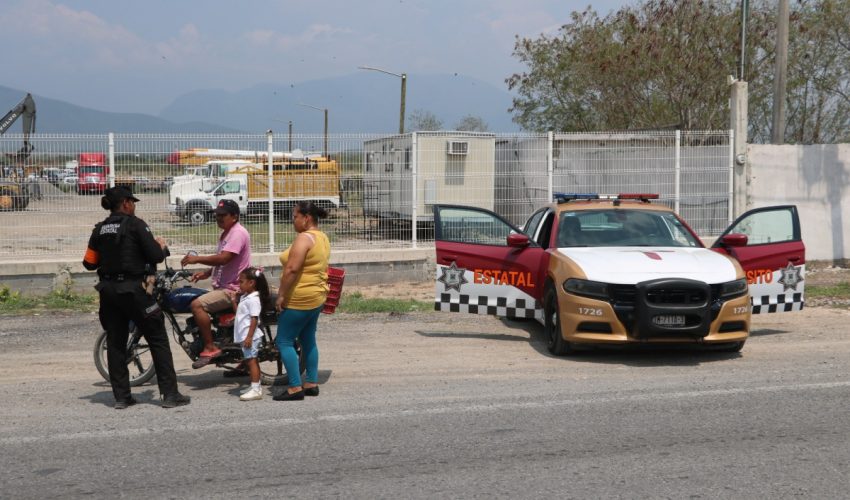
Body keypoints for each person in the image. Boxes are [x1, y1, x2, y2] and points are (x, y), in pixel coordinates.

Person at [82, 186, 190, 409]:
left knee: (115, 343)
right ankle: (170, 395)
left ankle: (122, 397)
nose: (134, 206)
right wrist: (161, 246)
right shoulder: (136, 225)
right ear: (125, 203)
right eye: (133, 202)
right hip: (134, 291)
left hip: (109, 292)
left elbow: (89, 263)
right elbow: (155, 257)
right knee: (158, 339)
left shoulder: (99, 229)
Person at [180, 199, 252, 368]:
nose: (219, 218)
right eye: (217, 215)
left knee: (197, 305)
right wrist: (206, 273)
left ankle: (210, 346)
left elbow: (225, 258)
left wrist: (196, 259)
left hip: (233, 289)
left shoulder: (237, 233)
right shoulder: (227, 233)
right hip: (225, 286)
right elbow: (226, 262)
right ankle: (241, 360)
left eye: (223, 215)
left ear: (234, 216)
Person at [273, 201, 330, 401]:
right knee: (307, 339)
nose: (292, 221)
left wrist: (281, 295)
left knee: (284, 341)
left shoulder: (304, 238)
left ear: (306, 218)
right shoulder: (321, 237)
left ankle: (296, 387)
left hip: (300, 297)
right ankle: (311, 383)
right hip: (316, 296)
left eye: (295, 216)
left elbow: (292, 269)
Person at [231, 267, 271, 401]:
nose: (239, 284)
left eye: (241, 281)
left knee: (252, 361)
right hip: (245, 335)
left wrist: (249, 337)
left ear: (251, 283)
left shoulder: (254, 299)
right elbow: (239, 314)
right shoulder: (245, 297)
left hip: (250, 336)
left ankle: (256, 389)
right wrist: (233, 301)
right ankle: (254, 386)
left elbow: (254, 319)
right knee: (249, 361)